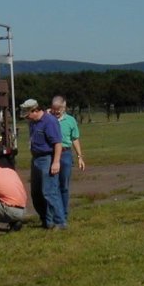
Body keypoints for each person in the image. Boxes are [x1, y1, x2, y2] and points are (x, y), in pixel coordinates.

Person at [19, 98, 65, 230]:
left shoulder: (49, 121)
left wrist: (55, 162)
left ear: (35, 110)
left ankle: (59, 221)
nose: (27, 117)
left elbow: (57, 143)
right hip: (36, 158)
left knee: (49, 192)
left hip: (47, 159)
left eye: (28, 114)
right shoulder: (33, 123)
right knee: (36, 192)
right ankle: (45, 219)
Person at [50, 96, 85, 224]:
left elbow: (75, 139)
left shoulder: (71, 120)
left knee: (63, 185)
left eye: (59, 109)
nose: (57, 111)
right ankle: (54, 215)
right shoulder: (49, 119)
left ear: (64, 107)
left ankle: (63, 214)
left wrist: (79, 157)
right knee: (53, 186)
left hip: (65, 153)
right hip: (51, 154)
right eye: (55, 109)